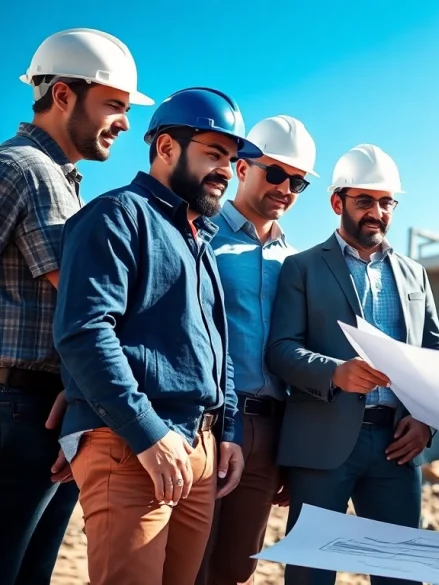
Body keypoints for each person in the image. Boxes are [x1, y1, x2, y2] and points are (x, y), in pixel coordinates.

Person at [52, 87, 260, 585]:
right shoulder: (116, 216)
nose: (226, 172)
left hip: (200, 447)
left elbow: (217, 349)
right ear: (167, 148)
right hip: (132, 446)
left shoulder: (199, 240)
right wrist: (147, 432)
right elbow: (84, 332)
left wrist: (226, 432)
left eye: (230, 159)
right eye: (214, 154)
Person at [0, 27, 151, 585]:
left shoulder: (68, 185)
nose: (125, 122)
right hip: (12, 408)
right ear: (62, 94)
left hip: (52, 409)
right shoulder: (18, 168)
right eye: (113, 104)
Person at [266, 143, 439, 585]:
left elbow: (434, 355)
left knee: (401, 576)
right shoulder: (301, 267)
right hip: (321, 446)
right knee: (310, 574)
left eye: (386, 202)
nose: (376, 212)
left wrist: (424, 421)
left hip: (397, 448)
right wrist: (335, 373)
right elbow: (281, 349)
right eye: (364, 201)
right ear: (336, 202)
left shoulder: (414, 274)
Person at [195, 115, 318, 585]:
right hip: (207, 423)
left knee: (236, 568)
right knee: (189, 562)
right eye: (276, 173)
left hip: (270, 428)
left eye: (298, 182)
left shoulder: (295, 261)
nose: (287, 188)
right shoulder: (200, 235)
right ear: (242, 167)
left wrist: (288, 447)